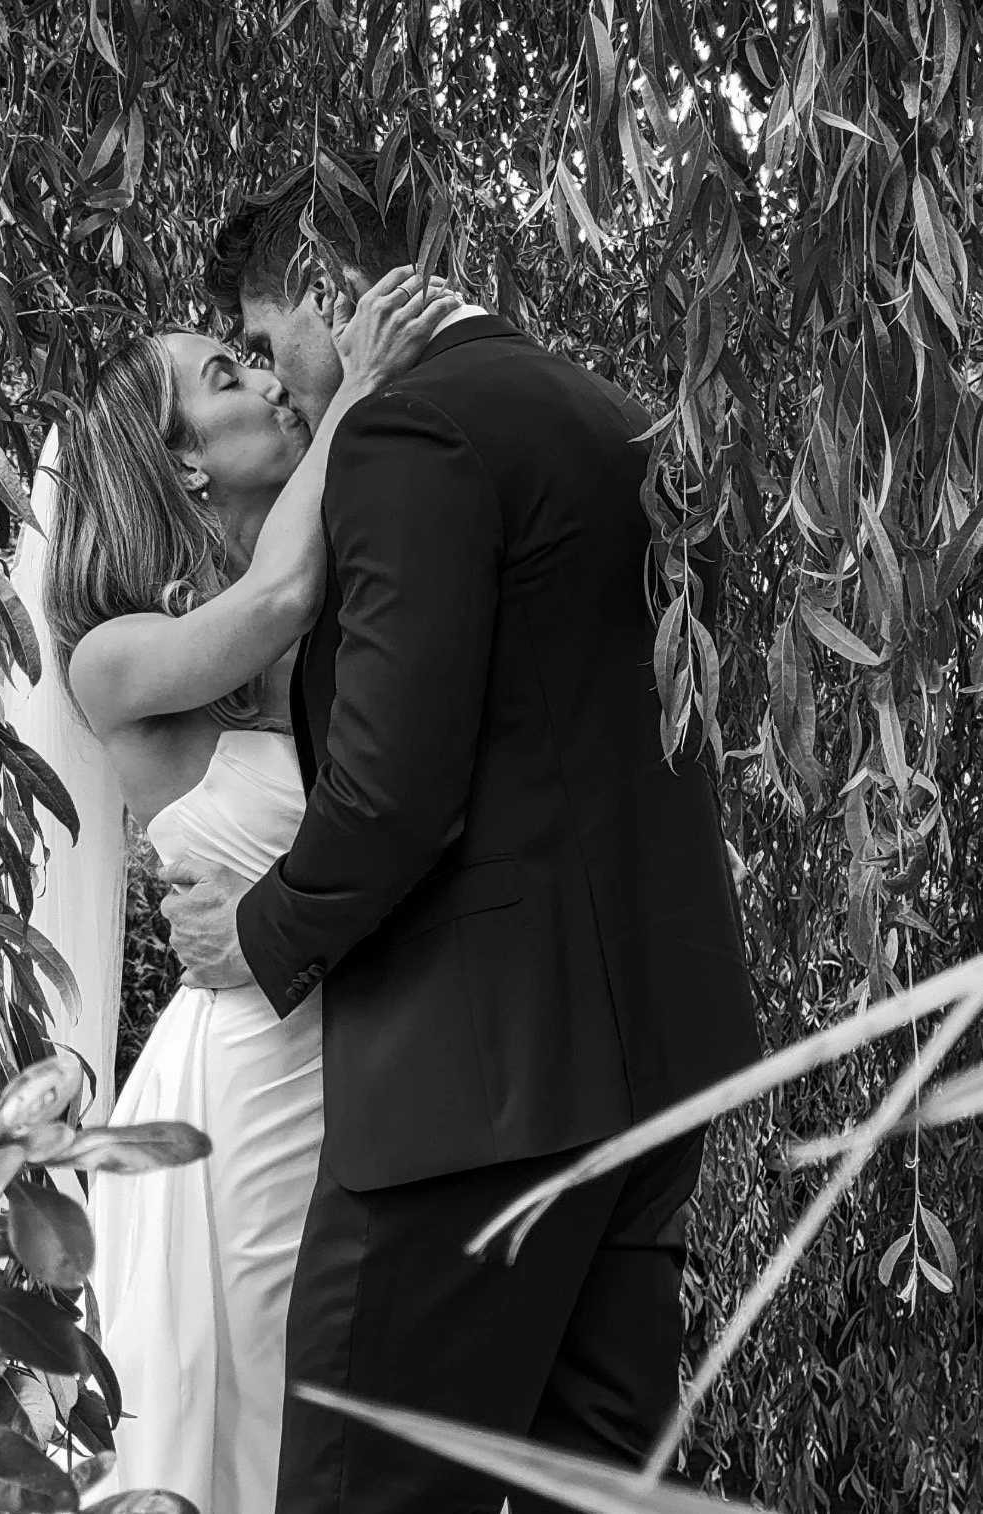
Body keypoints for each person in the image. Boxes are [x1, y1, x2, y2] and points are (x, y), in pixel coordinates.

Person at [163, 152, 763, 1514]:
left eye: (263, 345)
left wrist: (253, 933)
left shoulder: (407, 434)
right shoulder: (619, 424)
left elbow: (391, 786)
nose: (278, 386)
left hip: (468, 1097)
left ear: (328, 292)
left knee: (355, 1487)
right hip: (649, 1066)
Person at [34, 264, 460, 1514]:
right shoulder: (116, 657)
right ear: (177, 469)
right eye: (225, 375)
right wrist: (360, 392)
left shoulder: (321, 620)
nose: (268, 376)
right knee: (272, 1395)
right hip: (245, 1081)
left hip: (357, 1051)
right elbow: (276, 593)